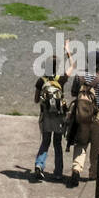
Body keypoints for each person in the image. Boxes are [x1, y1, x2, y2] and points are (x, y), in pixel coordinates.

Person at [67, 52, 99, 187]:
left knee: (81, 143)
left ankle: (76, 168)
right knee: (96, 146)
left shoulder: (79, 76)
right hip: (97, 116)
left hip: (81, 115)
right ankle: (94, 173)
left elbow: (73, 93)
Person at [31, 42, 76, 182]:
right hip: (58, 117)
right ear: (56, 67)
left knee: (45, 142)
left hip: (46, 117)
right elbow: (73, 66)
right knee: (57, 144)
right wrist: (67, 50)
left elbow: (36, 100)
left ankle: (39, 165)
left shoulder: (41, 81)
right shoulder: (61, 79)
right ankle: (57, 173)